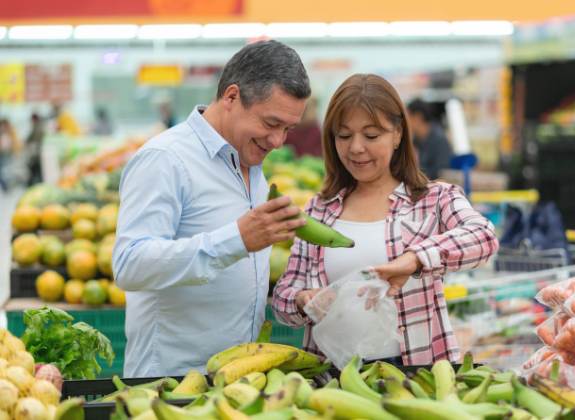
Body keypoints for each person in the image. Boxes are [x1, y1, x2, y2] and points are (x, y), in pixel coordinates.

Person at [112, 40, 311, 377]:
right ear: (231, 97)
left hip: (238, 378)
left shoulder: (252, 164)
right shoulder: (166, 159)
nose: (278, 141)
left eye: (287, 129)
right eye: (271, 123)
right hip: (172, 386)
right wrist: (237, 239)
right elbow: (130, 264)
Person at [272, 74, 498, 365]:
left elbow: (484, 237)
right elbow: (282, 297)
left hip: (417, 378)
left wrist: (416, 259)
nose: (355, 148)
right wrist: (303, 300)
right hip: (333, 381)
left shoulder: (433, 200)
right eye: (344, 135)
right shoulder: (320, 210)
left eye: (371, 135)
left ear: (398, 134)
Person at [406, 98, 453, 180]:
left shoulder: (439, 139)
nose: (404, 122)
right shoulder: (416, 139)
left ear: (417, 117)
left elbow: (441, 172)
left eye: (407, 117)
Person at [0, 118, 22, 192]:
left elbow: (15, 144)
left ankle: (7, 185)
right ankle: (6, 185)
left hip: (8, 154)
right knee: (5, 170)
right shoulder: (5, 133)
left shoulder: (10, 133)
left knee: (7, 170)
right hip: (5, 154)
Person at [25, 113, 45, 186]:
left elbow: (31, 138)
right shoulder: (41, 126)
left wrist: (27, 142)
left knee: (35, 170)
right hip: (38, 153)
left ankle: (32, 185)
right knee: (37, 171)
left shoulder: (37, 127)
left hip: (37, 153)